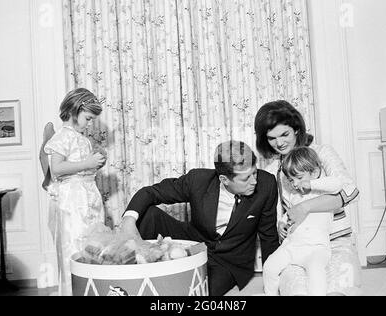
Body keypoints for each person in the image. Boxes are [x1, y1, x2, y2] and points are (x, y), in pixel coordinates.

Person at [119, 140, 279, 296]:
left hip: (229, 261)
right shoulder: (198, 180)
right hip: (196, 241)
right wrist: (128, 221)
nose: (254, 181)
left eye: (255, 173)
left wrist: (272, 282)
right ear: (224, 179)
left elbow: (268, 236)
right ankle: (136, 274)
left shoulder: (267, 184)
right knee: (148, 214)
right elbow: (151, 192)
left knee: (199, 291)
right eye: (246, 178)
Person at [255, 100, 361, 296]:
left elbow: (350, 191)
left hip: (336, 241)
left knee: (338, 290)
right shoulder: (273, 171)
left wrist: (305, 207)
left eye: (284, 134)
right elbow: (280, 212)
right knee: (297, 290)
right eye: (272, 138)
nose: (279, 143)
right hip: (296, 246)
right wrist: (281, 225)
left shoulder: (322, 153)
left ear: (296, 129)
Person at [44, 88, 106, 296]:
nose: (89, 124)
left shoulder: (82, 138)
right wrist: (87, 163)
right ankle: (75, 291)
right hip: (73, 198)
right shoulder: (63, 136)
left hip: (88, 194)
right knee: (74, 245)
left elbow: (79, 166)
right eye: (88, 119)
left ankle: (92, 289)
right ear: (74, 110)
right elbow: (57, 169)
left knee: (93, 244)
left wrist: (94, 164)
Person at [263, 147, 345, 296]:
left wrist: (312, 184)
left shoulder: (324, 191)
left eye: (299, 178)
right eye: (291, 180)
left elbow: (337, 184)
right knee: (269, 266)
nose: (294, 184)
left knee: (316, 272)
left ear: (314, 172)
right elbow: (290, 212)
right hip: (292, 246)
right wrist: (281, 223)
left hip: (316, 249)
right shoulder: (296, 195)